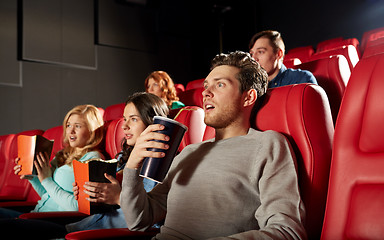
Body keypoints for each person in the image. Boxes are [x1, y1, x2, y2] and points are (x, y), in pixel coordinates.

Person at [121, 51, 307, 239]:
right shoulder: (189, 151)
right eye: (206, 86)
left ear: (248, 97)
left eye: (220, 85)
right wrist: (132, 167)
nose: (205, 93)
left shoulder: (268, 145)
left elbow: (287, 232)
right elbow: (138, 220)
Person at [66, 92, 169, 233]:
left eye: (133, 119)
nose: (124, 126)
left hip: (106, 234)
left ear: (154, 123)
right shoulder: (124, 157)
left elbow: (150, 220)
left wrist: (118, 198)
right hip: (80, 227)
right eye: (125, 119)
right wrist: (90, 193)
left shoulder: (160, 165)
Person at [0, 104, 105, 238]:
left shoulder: (92, 159)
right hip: (36, 214)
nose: (70, 131)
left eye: (77, 126)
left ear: (92, 131)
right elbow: (47, 193)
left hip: (57, 221)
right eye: (68, 125)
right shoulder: (63, 154)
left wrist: (46, 179)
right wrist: (33, 177)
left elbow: (77, 207)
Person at [249, 30, 317, 88]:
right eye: (252, 53)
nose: (253, 58)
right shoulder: (252, 86)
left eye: (260, 52)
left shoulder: (302, 79)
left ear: (279, 54)